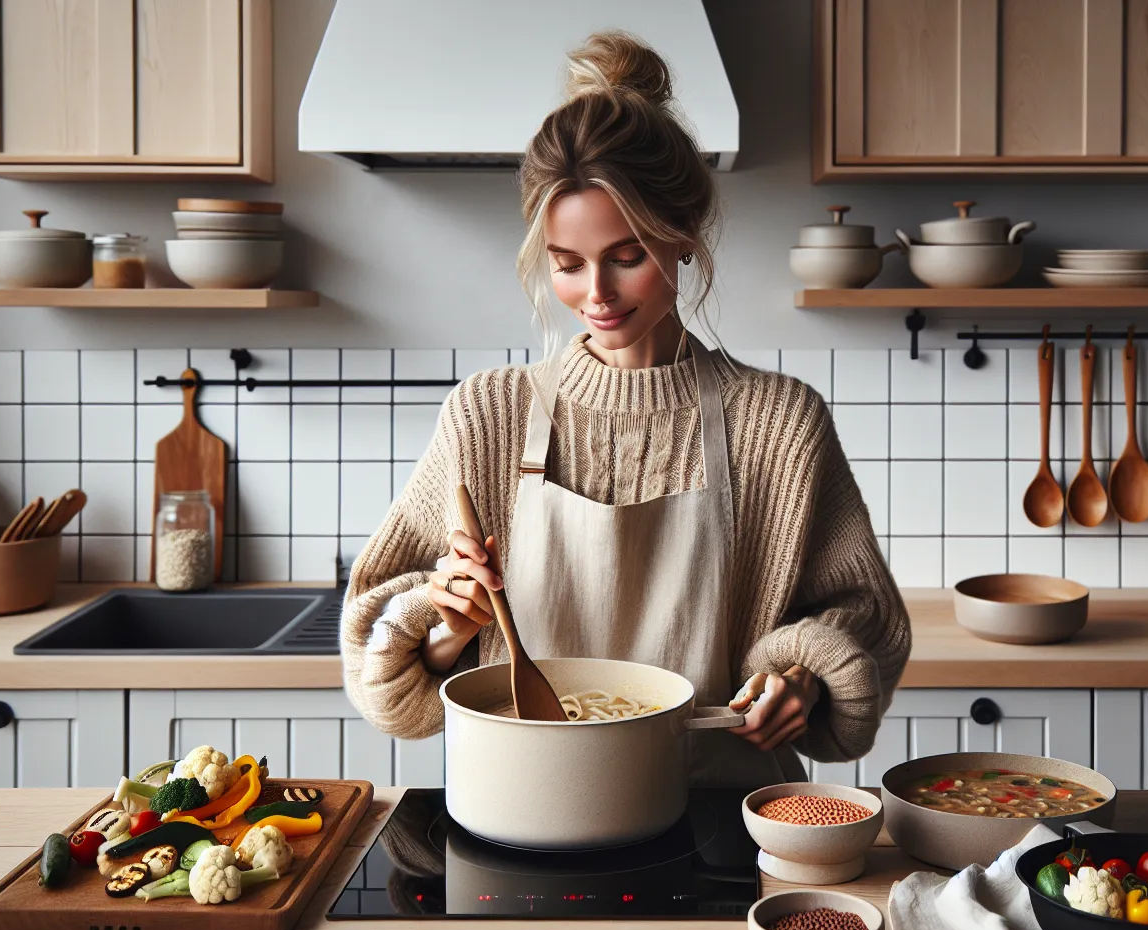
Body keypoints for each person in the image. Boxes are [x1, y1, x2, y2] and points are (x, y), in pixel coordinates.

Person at [341, 31, 909, 787]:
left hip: (721, 809)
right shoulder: (489, 414)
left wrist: (799, 675)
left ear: (683, 238)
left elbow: (863, 613)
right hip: (524, 802)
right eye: (567, 265)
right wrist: (446, 623)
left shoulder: (779, 422)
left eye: (627, 255)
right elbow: (375, 638)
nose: (596, 296)